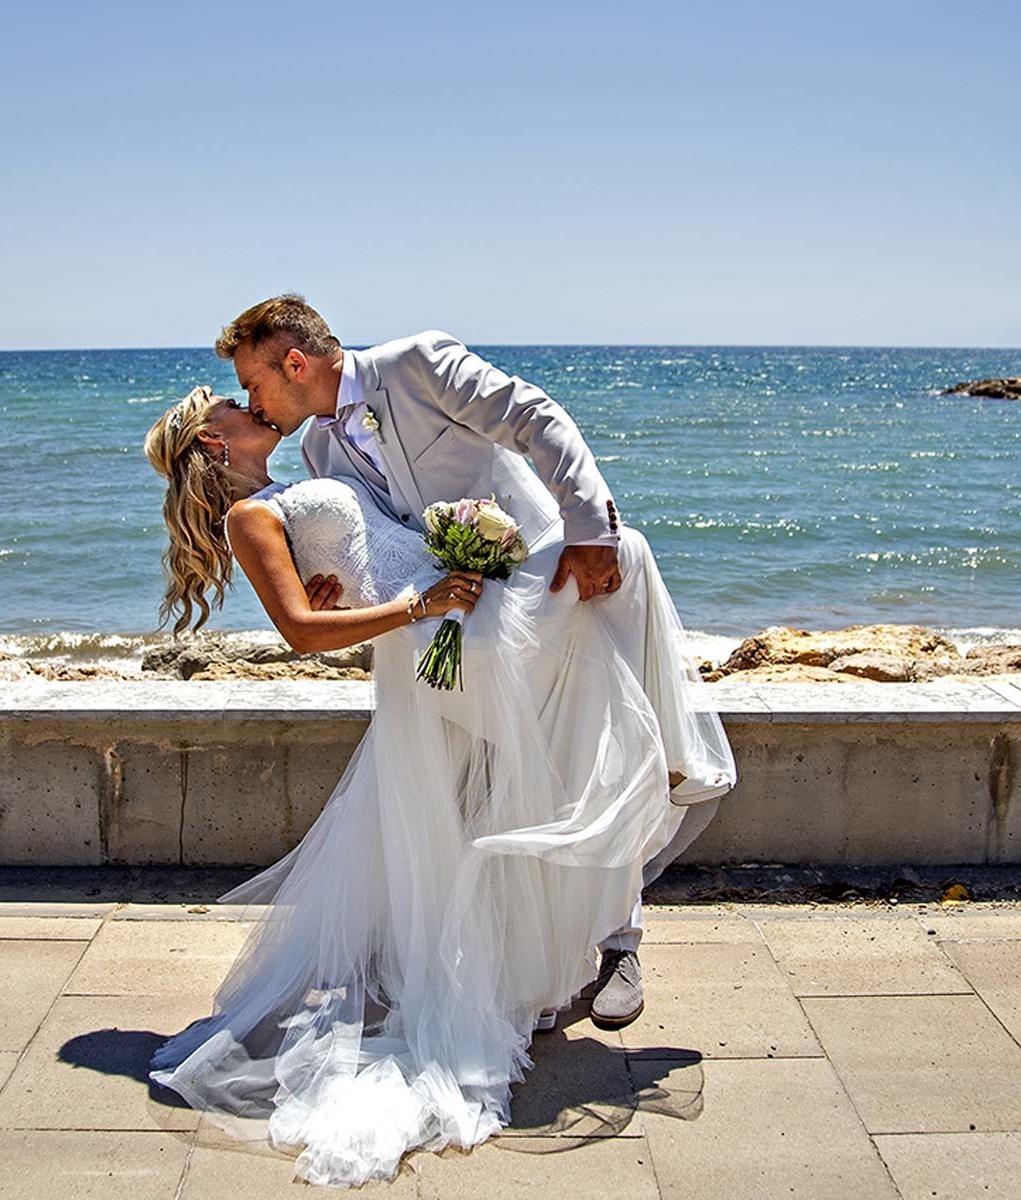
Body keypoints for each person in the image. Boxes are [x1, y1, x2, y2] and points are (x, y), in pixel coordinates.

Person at [140, 323, 734, 1186]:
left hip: (473, 610)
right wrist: (398, 603)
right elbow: (320, 610)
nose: (251, 401)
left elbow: (479, 458)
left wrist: (561, 532)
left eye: (248, 386)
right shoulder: (286, 479)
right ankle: (669, 770)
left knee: (548, 754)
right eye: (240, 399)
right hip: (443, 635)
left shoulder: (368, 407)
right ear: (214, 435)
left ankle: (580, 944)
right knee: (623, 590)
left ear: (293, 363)